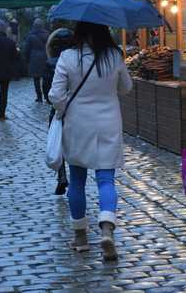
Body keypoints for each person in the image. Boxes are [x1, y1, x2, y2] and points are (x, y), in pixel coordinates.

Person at [48, 21, 133, 261]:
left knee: (77, 180)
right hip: (108, 124)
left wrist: (65, 108)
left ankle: (81, 238)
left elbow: (55, 95)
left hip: (77, 124)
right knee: (106, 179)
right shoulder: (114, 55)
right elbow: (126, 87)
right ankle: (107, 228)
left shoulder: (68, 57)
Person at [45, 27, 75, 195]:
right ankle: (76, 173)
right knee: (74, 143)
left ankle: (61, 176)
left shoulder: (50, 63)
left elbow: (46, 90)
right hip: (75, 108)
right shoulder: (75, 60)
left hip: (57, 109)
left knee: (58, 142)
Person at [25, 18, 50, 102]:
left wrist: (27, 59)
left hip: (34, 58)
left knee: (36, 78)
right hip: (46, 57)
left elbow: (27, 49)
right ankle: (46, 96)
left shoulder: (30, 35)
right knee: (46, 78)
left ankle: (39, 97)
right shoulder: (47, 34)